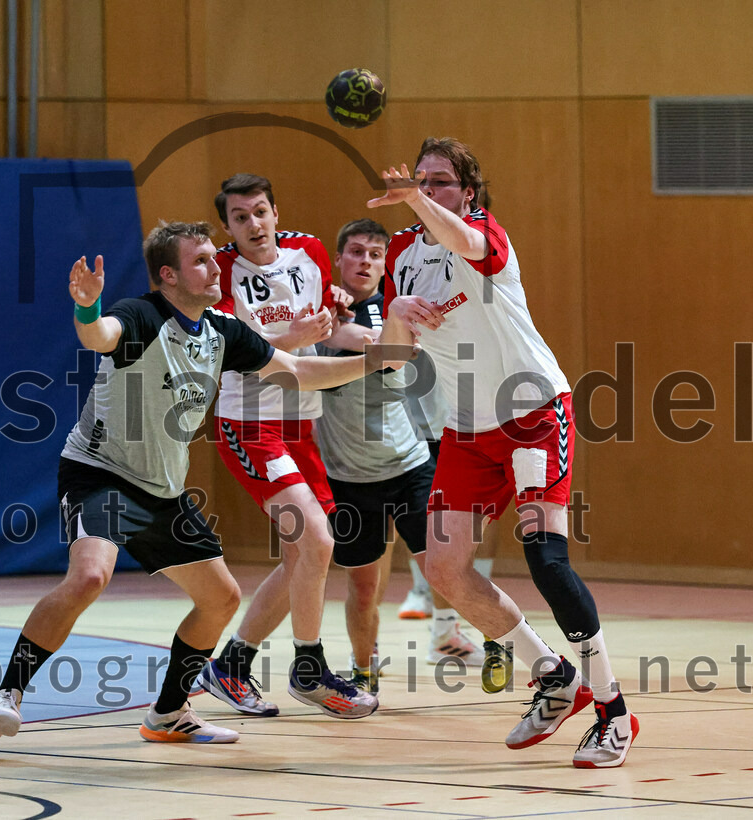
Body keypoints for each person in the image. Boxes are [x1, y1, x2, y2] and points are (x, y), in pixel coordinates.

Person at [0, 221, 392, 743]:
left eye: (213, 260)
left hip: (163, 487)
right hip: (101, 473)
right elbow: (98, 334)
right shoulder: (142, 315)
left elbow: (295, 372)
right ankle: (7, 691)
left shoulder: (222, 329)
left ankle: (168, 714)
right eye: (201, 261)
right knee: (89, 576)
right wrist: (86, 306)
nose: (216, 267)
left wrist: (375, 360)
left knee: (220, 598)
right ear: (169, 274)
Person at [370, 137, 638, 768]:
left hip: (533, 414)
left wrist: (416, 199)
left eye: (441, 181)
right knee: (443, 569)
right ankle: (552, 675)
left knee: (545, 559)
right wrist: (396, 312)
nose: (429, 189)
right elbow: (389, 360)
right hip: (466, 430)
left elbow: (462, 241)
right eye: (423, 180)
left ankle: (613, 709)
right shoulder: (403, 253)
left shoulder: (485, 233)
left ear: (468, 191)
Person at [196, 175, 378, 720]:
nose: (253, 225)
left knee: (305, 552)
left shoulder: (309, 251)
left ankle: (230, 664)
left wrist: (378, 343)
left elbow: (329, 330)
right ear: (227, 226)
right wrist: (295, 338)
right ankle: (309, 669)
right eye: (240, 218)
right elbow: (233, 348)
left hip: (302, 422)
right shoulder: (220, 269)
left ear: (276, 212)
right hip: (249, 423)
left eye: (260, 212)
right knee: (319, 542)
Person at [315, 219, 487, 694]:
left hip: (408, 463)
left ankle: (485, 638)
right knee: (364, 586)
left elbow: (388, 349)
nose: (365, 261)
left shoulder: (397, 309)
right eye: (355, 252)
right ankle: (364, 670)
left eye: (375, 254)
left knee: (449, 566)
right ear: (338, 259)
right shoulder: (318, 309)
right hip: (346, 475)